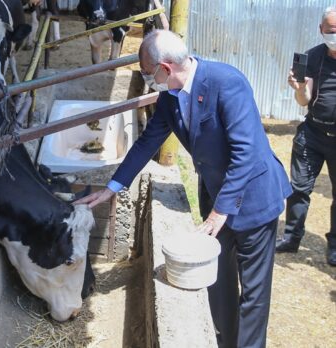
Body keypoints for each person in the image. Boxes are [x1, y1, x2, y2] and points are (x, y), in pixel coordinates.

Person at [73, 30, 292, 347]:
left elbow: (247, 154)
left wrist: (219, 212)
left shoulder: (226, 82)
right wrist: (112, 187)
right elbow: (147, 143)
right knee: (219, 283)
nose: (148, 81)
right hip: (217, 198)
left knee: (254, 296)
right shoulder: (170, 98)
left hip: (254, 198)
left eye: (149, 74)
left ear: (165, 67)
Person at [276, 6, 336, 267]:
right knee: (299, 189)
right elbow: (304, 100)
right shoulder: (313, 56)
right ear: (321, 30)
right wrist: (299, 88)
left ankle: (334, 247)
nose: (335, 35)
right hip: (312, 133)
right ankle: (291, 238)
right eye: (332, 30)